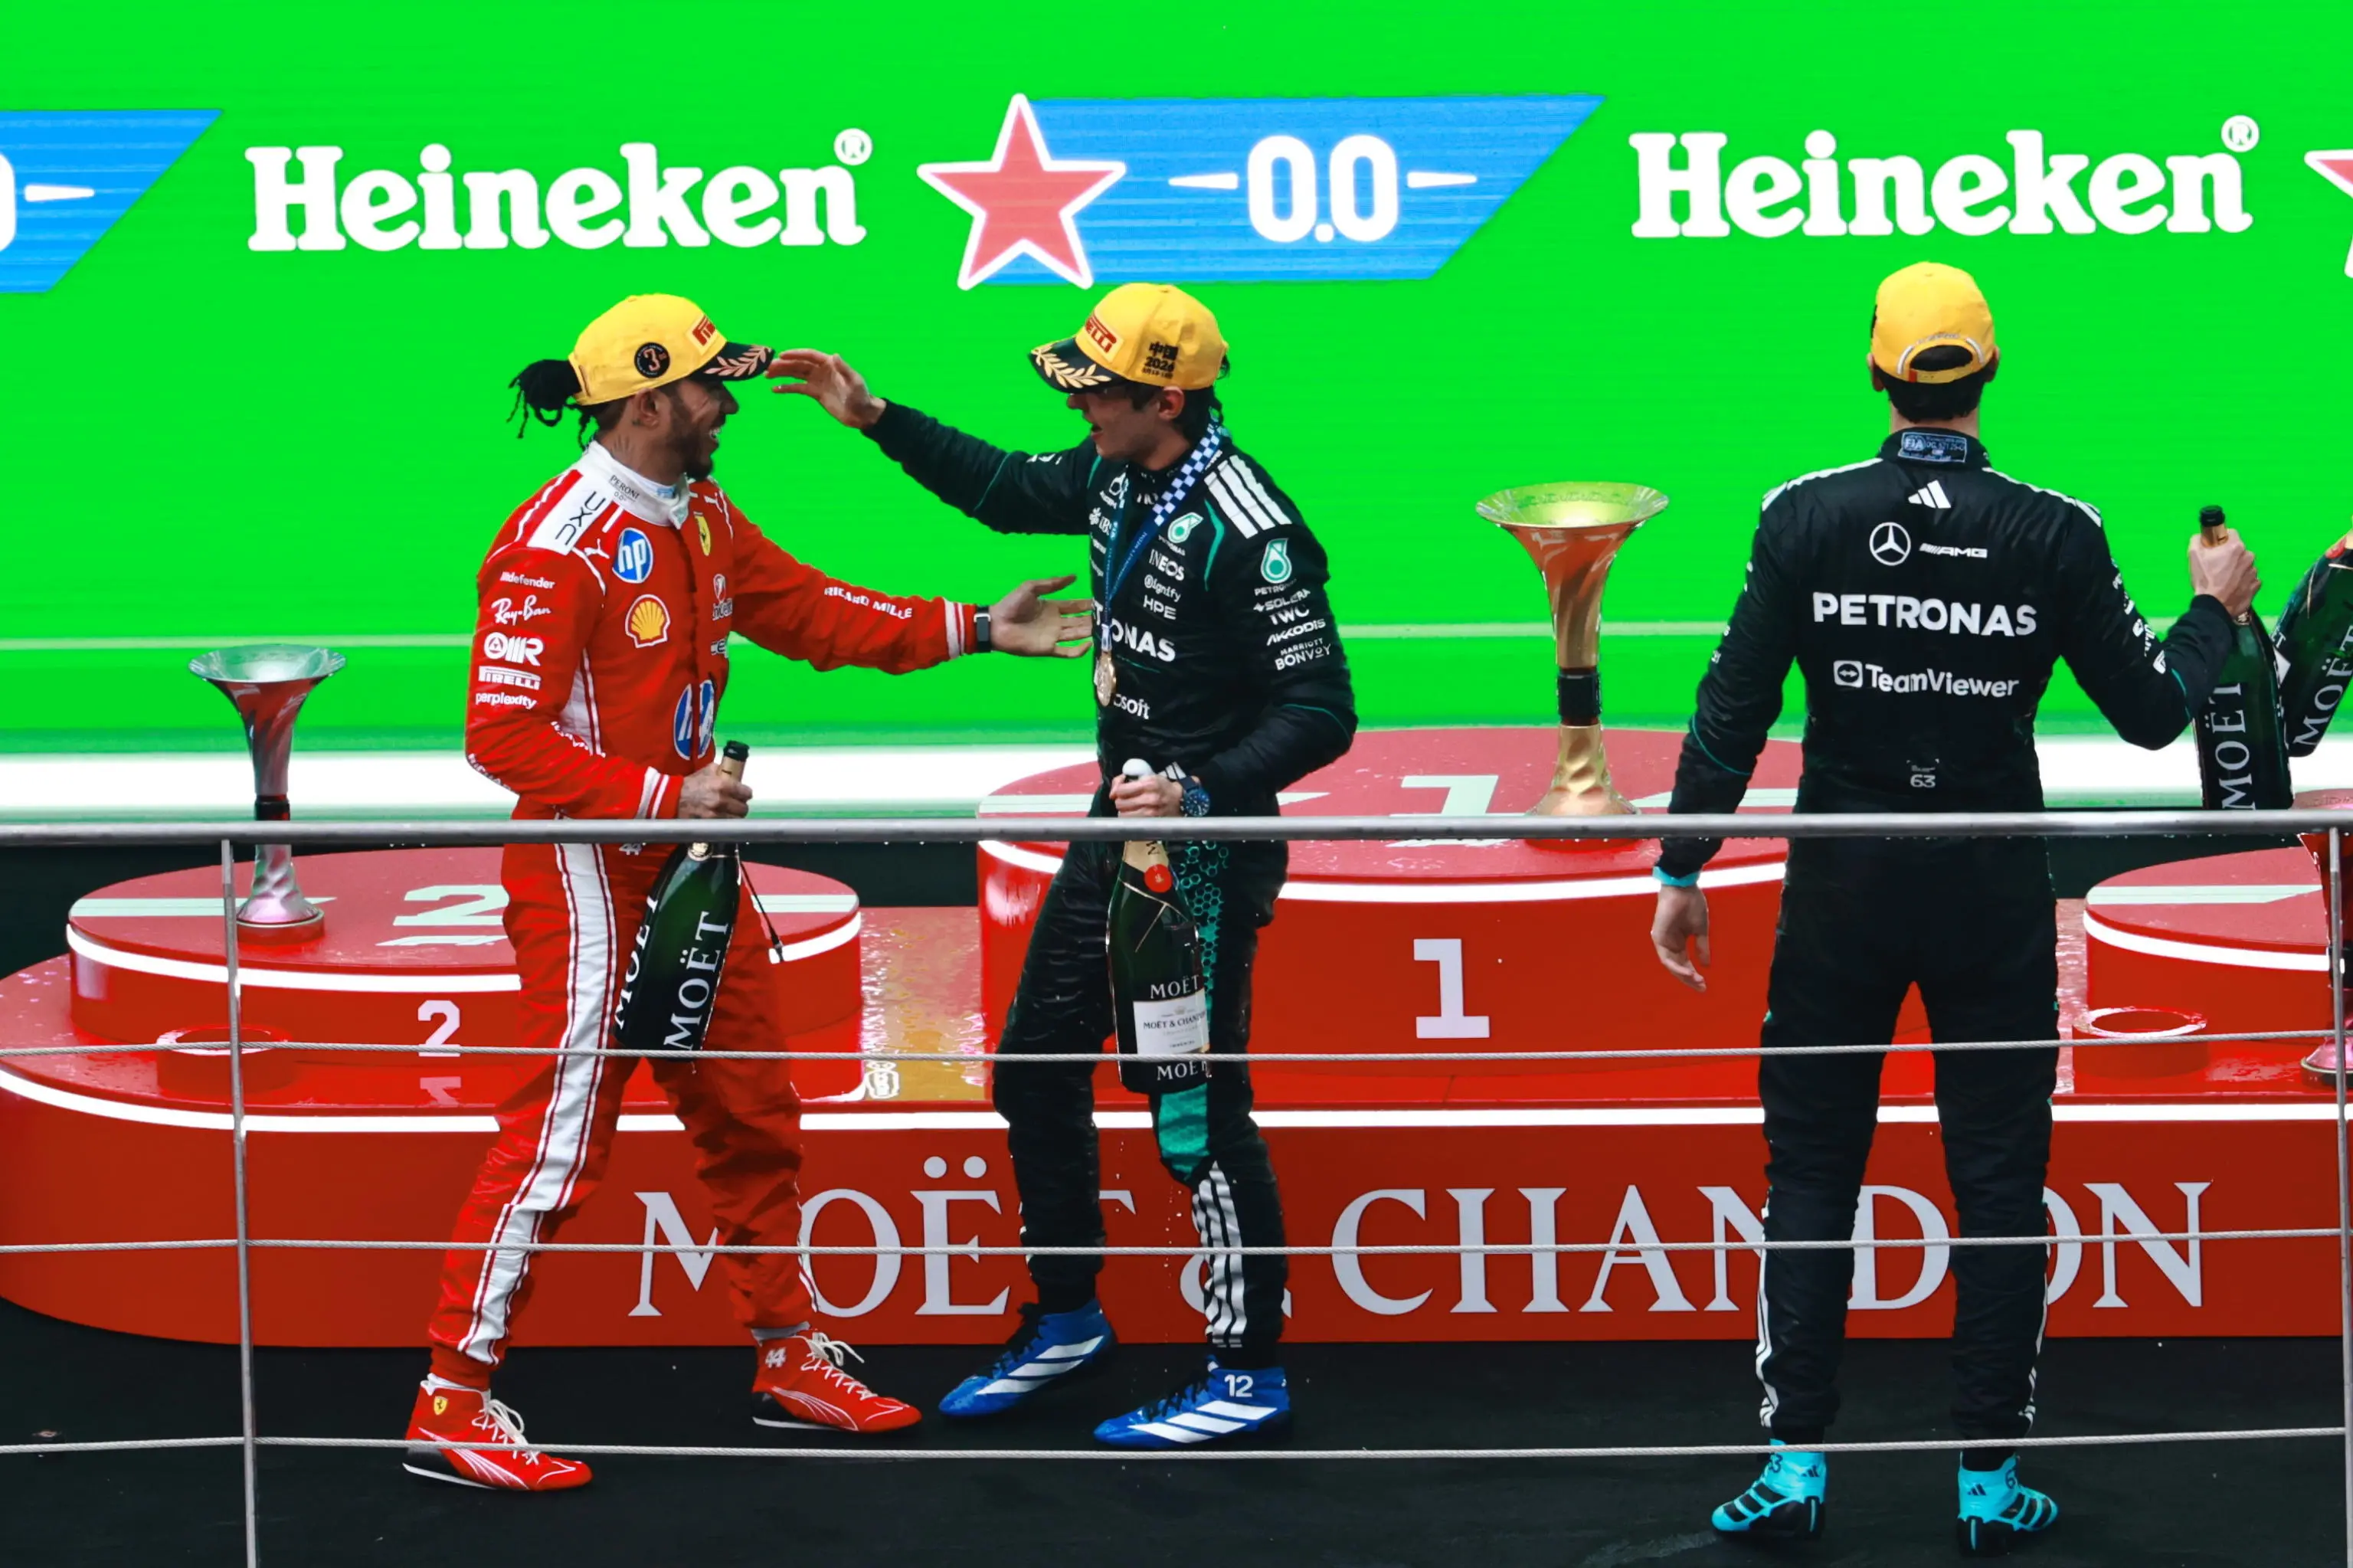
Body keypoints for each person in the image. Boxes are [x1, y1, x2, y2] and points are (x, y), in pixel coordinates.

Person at [404, 293, 1091, 1492]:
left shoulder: (700, 509)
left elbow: (809, 610)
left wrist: (979, 627)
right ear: (651, 397)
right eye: (712, 386)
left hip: (684, 865)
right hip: (588, 872)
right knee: (559, 1138)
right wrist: (666, 801)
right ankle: (450, 1401)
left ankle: (785, 1355)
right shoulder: (550, 544)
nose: (730, 404)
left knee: (753, 1109)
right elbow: (498, 735)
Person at [1647, 262, 2260, 1555]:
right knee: (1996, 1180)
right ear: (1989, 371)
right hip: (1989, 889)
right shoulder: (2057, 528)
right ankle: (1987, 1483)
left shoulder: (1804, 514)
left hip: (1844, 890)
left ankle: (1795, 1466)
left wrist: (1683, 865)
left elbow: (1734, 701)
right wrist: (2215, 607)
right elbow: (2158, 713)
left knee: (1812, 1173)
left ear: (1875, 368)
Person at [774, 283, 1356, 1448]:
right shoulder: (1119, 470)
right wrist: (874, 413)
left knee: (1192, 1113)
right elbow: (1002, 490)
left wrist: (1197, 788)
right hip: (1116, 837)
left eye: (1098, 389)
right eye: (1078, 384)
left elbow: (1325, 708)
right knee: (1033, 1068)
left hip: (1194, 859)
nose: (1078, 403)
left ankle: (1248, 1372)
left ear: (1168, 397)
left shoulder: (1253, 526)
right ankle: (1070, 1316)